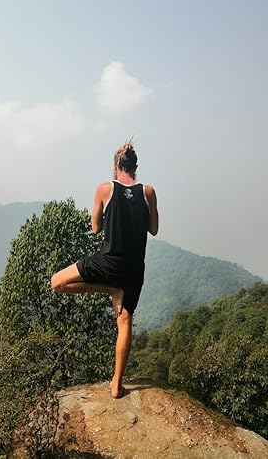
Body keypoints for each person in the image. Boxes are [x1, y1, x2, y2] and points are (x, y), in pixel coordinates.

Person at [51, 140, 159, 398]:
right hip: (134, 270)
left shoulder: (104, 189)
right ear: (136, 167)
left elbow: (96, 227)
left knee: (57, 282)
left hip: (108, 262)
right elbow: (153, 229)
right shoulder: (149, 192)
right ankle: (116, 384)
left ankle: (110, 287)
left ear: (115, 166)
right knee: (125, 321)